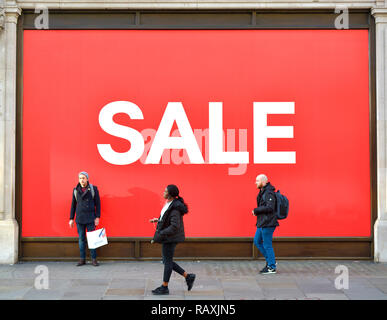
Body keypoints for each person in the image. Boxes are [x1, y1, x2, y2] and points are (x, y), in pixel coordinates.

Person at [150, 184, 196, 295]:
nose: (163, 192)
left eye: (165, 191)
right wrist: (158, 220)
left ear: (170, 195)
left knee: (167, 262)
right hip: (168, 237)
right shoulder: (170, 204)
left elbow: (174, 226)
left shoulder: (175, 208)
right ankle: (188, 276)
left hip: (170, 238)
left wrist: (161, 233)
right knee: (167, 261)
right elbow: (167, 219)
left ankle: (165, 287)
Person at [69, 171, 101, 267]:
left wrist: (97, 217)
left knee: (92, 239)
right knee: (81, 239)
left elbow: (98, 204)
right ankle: (82, 259)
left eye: (83, 178)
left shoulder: (93, 189)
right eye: (80, 178)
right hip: (79, 218)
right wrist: (71, 218)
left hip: (90, 217)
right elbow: (73, 205)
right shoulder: (75, 190)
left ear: (87, 178)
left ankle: (94, 259)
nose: (81, 180)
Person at [252, 174, 279, 274]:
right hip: (262, 222)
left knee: (267, 244)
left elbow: (270, 207)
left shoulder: (268, 193)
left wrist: (256, 210)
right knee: (257, 241)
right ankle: (271, 261)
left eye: (257, 181)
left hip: (268, 223)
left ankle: (271, 267)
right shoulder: (263, 191)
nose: (256, 182)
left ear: (263, 182)